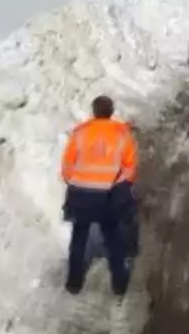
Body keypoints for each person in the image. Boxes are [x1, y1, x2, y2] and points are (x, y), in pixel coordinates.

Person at [60, 95, 139, 296]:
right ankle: (119, 284)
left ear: (94, 112)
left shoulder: (80, 133)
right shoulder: (122, 134)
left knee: (79, 238)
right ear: (111, 111)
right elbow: (130, 169)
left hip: (80, 194)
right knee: (113, 238)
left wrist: (76, 183)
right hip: (108, 195)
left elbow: (67, 166)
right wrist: (120, 189)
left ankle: (74, 282)